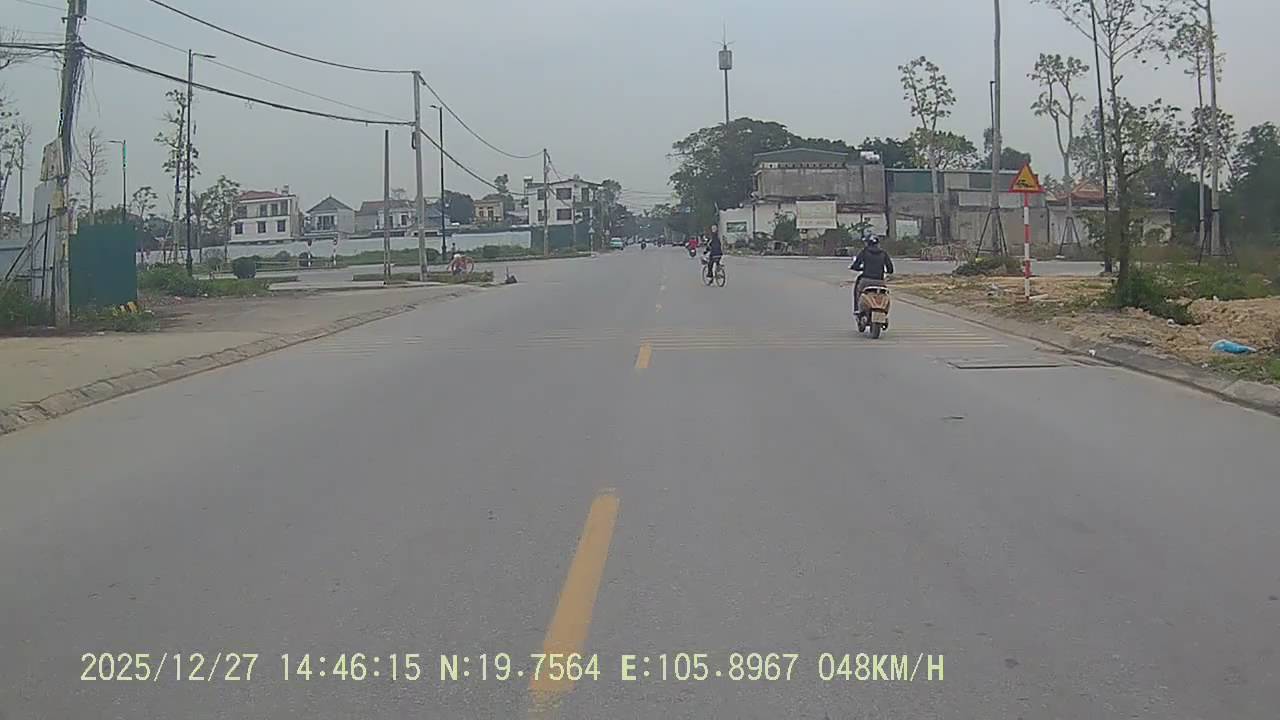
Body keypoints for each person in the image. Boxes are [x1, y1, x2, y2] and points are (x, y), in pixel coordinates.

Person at [851, 233, 893, 298]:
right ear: (878, 243)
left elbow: (855, 266)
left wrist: (862, 268)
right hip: (880, 281)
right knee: (885, 295)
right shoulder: (883, 253)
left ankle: (858, 304)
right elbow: (890, 269)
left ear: (867, 243)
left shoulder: (864, 251)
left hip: (866, 280)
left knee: (858, 292)